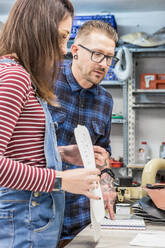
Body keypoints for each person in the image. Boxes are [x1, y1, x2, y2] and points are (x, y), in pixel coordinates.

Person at [0, 1, 101, 248]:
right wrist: (61, 179)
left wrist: (60, 154)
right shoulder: (14, 77)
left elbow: (16, 151)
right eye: (61, 37)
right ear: (38, 30)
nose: (64, 50)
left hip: (29, 219)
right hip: (21, 223)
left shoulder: (24, 77)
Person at [49, 20, 119, 247]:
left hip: (81, 221)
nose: (104, 64)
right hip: (41, 217)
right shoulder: (43, 80)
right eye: (98, 54)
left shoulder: (105, 101)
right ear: (75, 50)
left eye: (109, 58)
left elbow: (103, 151)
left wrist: (107, 182)